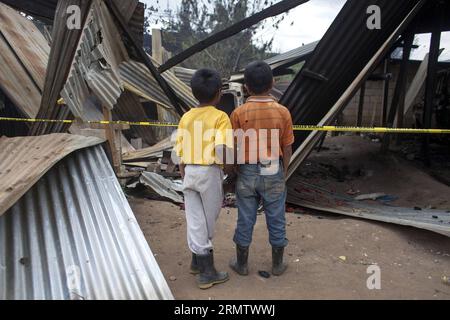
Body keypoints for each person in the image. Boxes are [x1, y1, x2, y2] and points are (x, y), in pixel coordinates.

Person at [229, 61, 294, 277]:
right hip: (273, 169)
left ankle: (242, 264)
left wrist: (236, 169)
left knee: (245, 217)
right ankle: (277, 265)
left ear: (246, 86)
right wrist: (284, 171)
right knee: (276, 216)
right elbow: (287, 146)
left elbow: (235, 147)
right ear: (273, 83)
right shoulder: (283, 112)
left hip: (247, 171)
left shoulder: (238, 113)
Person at [175, 68, 233, 289]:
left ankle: (196, 261)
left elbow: (180, 150)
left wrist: (183, 172)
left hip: (189, 171)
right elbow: (222, 149)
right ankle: (207, 271)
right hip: (209, 172)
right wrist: (229, 171)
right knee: (207, 220)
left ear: (193, 92)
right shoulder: (220, 117)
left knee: (195, 217)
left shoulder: (186, 117)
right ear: (219, 92)